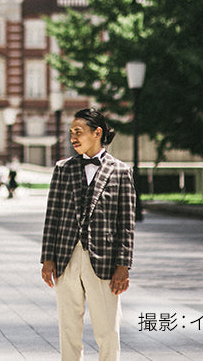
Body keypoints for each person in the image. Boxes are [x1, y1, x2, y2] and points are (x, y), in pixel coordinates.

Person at [40, 108, 136, 361]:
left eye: (78, 132)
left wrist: (123, 266)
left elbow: (126, 223)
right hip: (66, 259)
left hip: (104, 263)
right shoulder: (63, 169)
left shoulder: (121, 171)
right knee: (68, 329)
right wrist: (47, 259)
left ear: (97, 133)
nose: (73, 137)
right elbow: (53, 217)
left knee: (107, 330)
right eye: (71, 132)